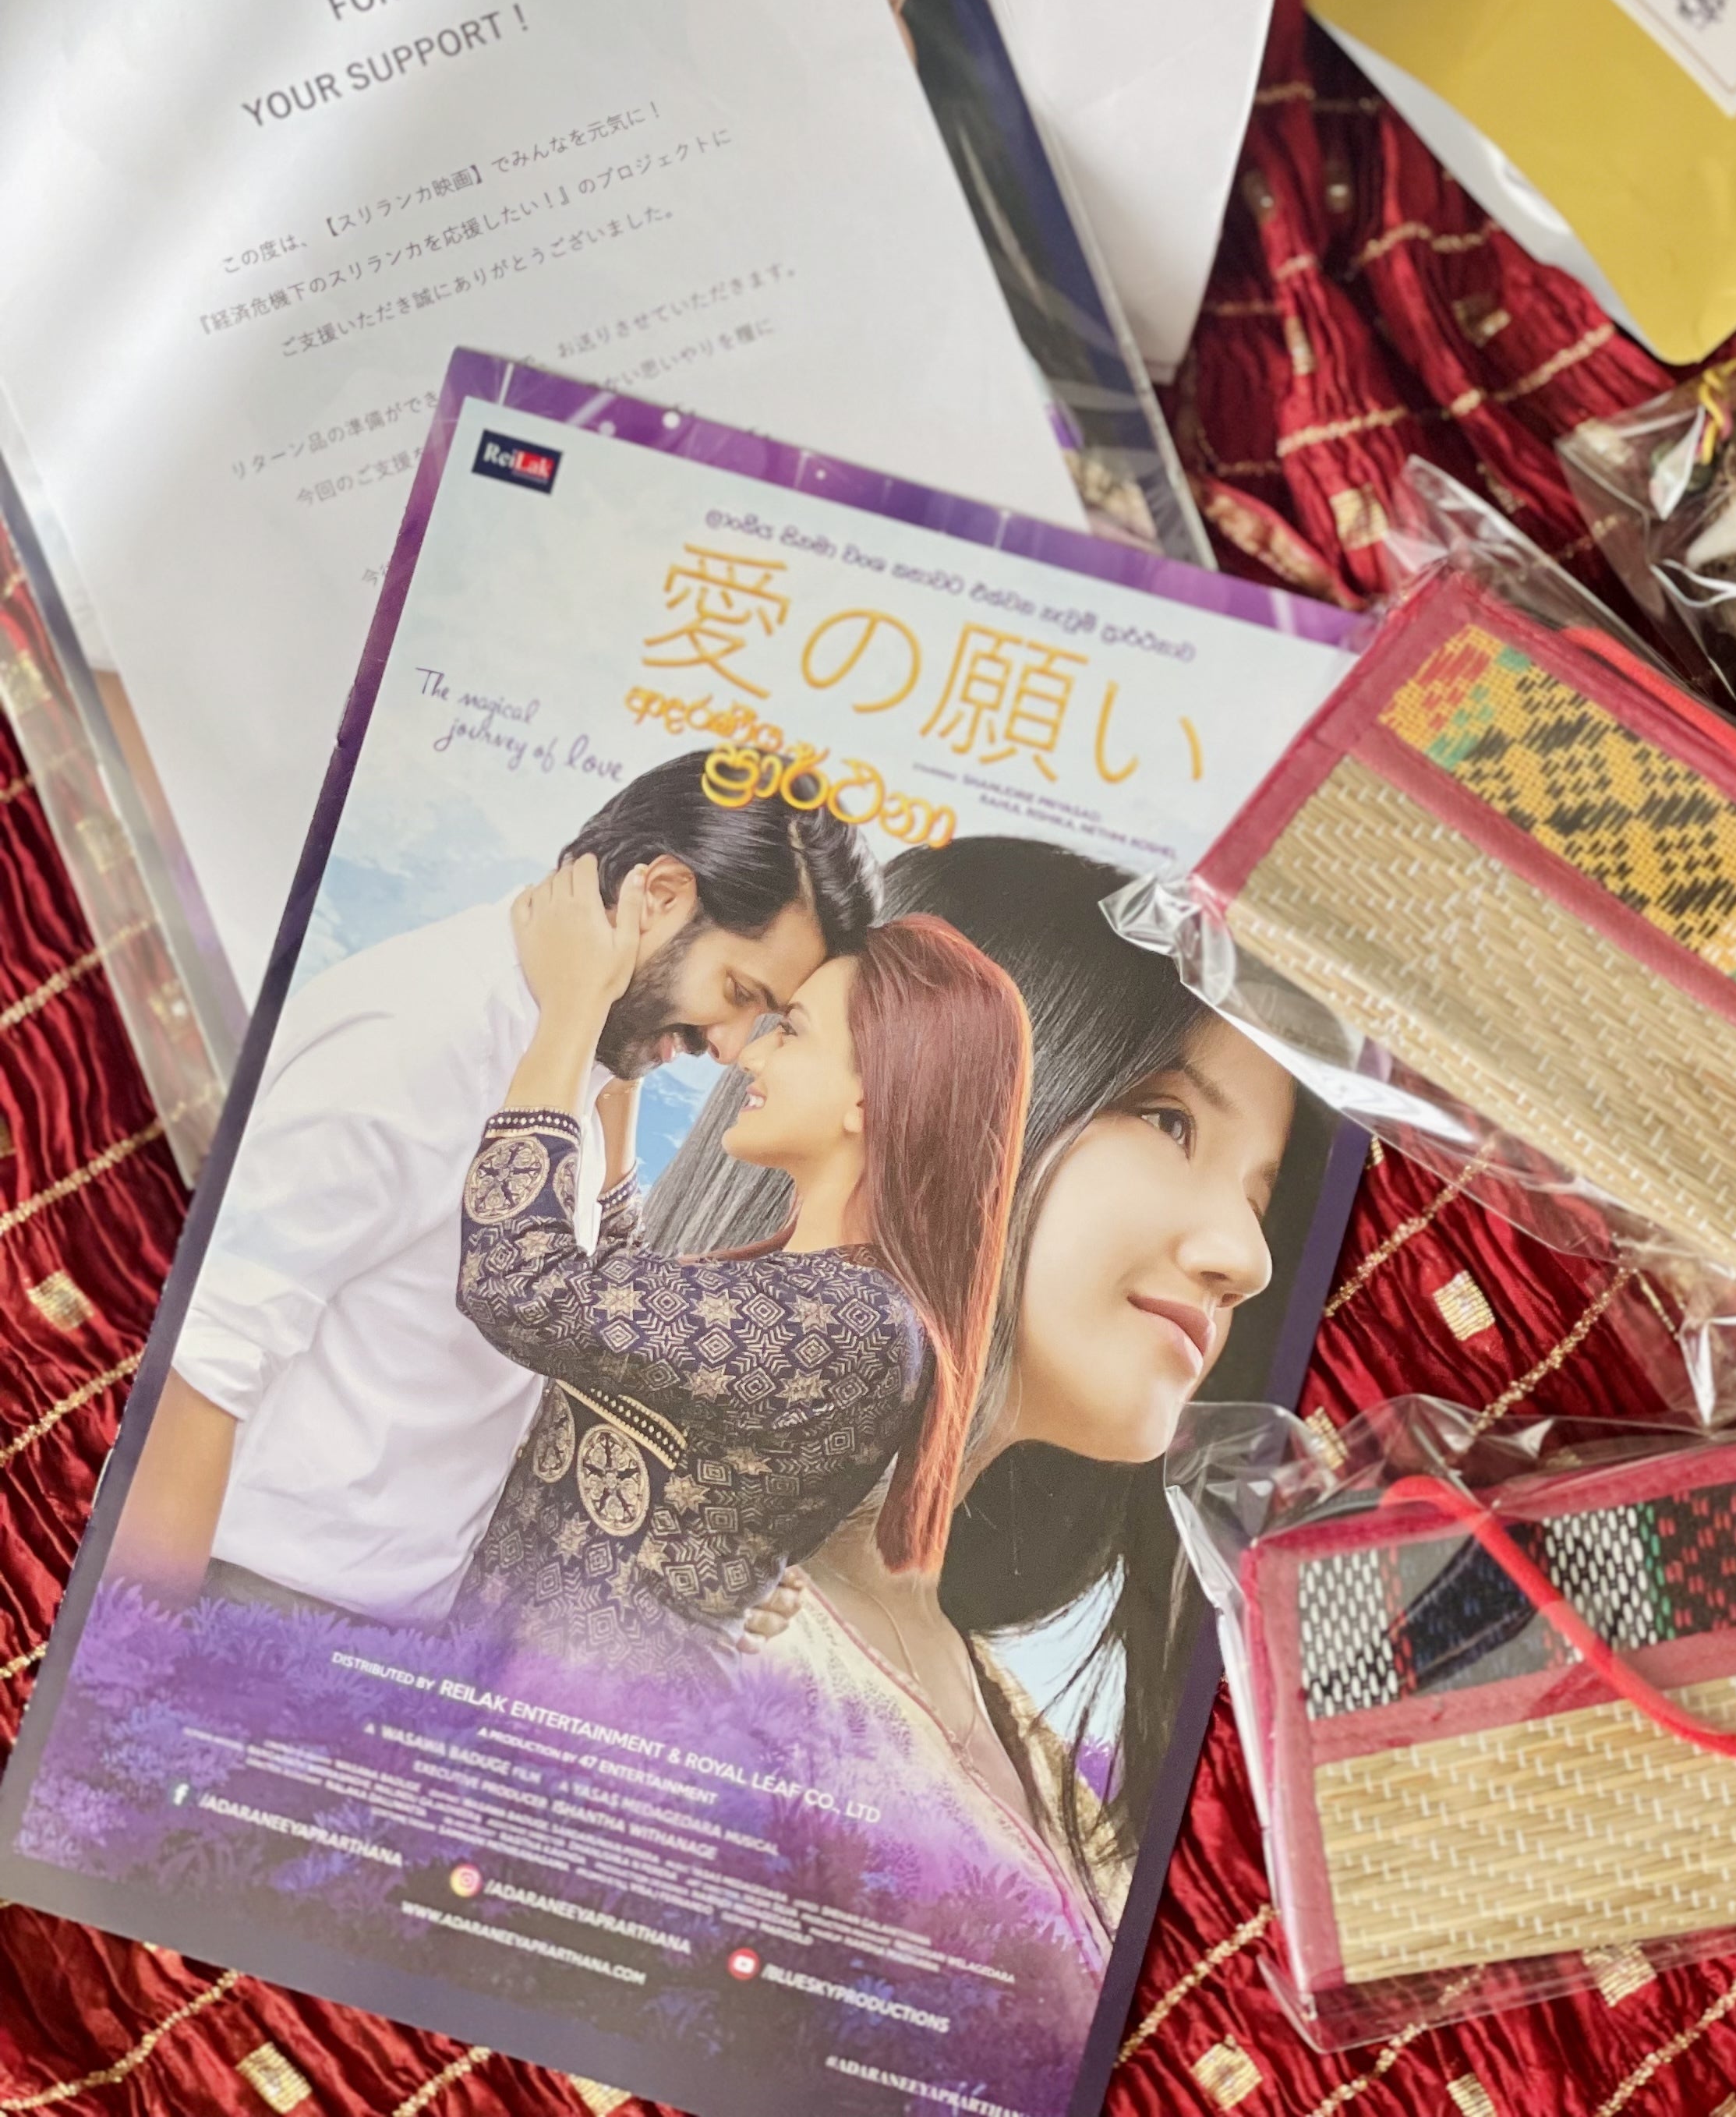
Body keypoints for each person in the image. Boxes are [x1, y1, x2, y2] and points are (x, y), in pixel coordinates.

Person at [643, 834, 1327, 1924]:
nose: (1246, 1258)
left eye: (1258, 1195)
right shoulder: (644, 1608)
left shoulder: (1023, 1744)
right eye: (1169, 1122)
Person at [108, 753, 875, 1622]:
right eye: (737, 992)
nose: (731, 1048)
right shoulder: (424, 1033)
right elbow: (201, 1360)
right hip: (255, 1602)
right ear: (659, 895)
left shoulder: (563, 1056)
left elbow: (556, 1340)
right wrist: (139, 1664)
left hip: (382, 1622)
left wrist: (704, 1562)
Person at [448, 862, 1031, 1676]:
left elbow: (521, 1287)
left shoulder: (850, 1321)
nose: (751, 1056)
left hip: (588, 1727)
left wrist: (572, 1013)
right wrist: (624, 1051)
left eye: (789, 1030)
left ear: (872, 1094)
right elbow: (620, 1308)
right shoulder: (817, 1292)